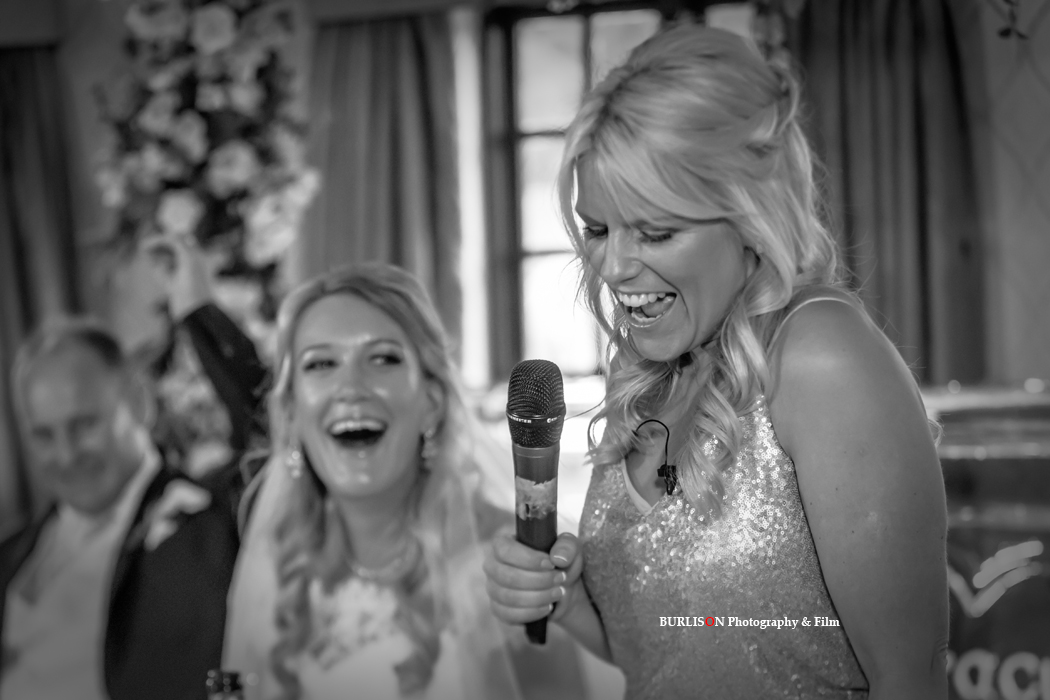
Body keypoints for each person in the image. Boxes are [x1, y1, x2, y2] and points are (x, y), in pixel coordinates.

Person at [483, 23, 949, 700]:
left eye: (655, 231)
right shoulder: (648, 372)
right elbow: (669, 653)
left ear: (749, 216)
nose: (612, 267)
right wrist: (569, 600)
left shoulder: (819, 356)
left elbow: (911, 678)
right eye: (598, 229)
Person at [222, 263, 591, 700]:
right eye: (321, 363)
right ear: (291, 413)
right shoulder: (278, 566)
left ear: (431, 402)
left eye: (383, 358)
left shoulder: (514, 568)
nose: (351, 387)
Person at [0, 235, 266, 700]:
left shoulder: (209, 521)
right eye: (44, 435)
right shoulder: (13, 554)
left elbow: (276, 437)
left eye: (84, 425)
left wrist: (200, 314)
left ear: (139, 403)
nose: (66, 455)